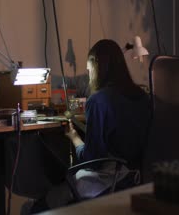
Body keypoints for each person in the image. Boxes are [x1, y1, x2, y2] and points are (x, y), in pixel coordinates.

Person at [24, 39, 151, 214]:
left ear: (97, 67)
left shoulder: (98, 100)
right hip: (135, 181)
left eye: (89, 70)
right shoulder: (142, 97)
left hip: (107, 182)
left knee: (34, 208)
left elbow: (93, 160)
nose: (89, 75)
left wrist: (74, 137)